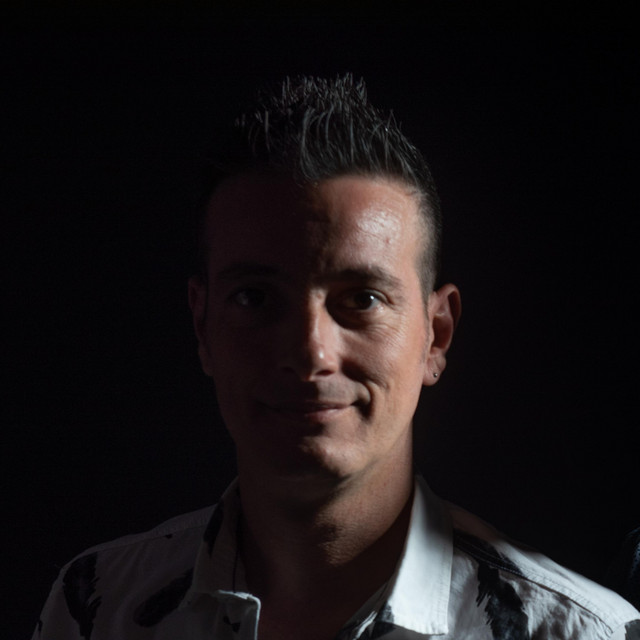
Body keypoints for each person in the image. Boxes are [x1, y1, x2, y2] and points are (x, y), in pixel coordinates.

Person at [33, 75, 639, 640]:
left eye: (363, 299)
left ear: (435, 335)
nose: (310, 352)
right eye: (255, 297)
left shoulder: (581, 632)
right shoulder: (95, 606)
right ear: (202, 324)